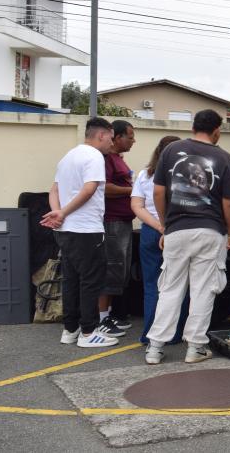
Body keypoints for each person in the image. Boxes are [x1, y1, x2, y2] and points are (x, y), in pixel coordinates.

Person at [144, 110, 230, 365]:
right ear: (217, 130)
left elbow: (158, 192)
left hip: (176, 229)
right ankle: (195, 348)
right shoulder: (225, 158)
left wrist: (166, 226)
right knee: (203, 289)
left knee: (169, 288)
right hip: (210, 230)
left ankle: (154, 348)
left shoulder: (171, 150)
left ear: (193, 126)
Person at [41, 117, 120, 348]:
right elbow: (90, 188)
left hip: (65, 231)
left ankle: (70, 330)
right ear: (102, 135)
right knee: (90, 281)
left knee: (71, 281)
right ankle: (88, 332)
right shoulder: (94, 156)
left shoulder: (68, 156)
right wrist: (62, 212)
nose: (112, 144)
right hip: (86, 229)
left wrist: (57, 213)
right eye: (111, 138)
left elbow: (53, 189)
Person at [130, 135, 187, 344]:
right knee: (179, 284)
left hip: (150, 232)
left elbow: (137, 206)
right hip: (179, 232)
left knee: (152, 285)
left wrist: (158, 226)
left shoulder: (146, 174)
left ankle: (149, 334)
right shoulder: (186, 175)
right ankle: (175, 334)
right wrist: (167, 228)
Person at [97, 119, 136, 338]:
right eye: (130, 136)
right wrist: (131, 190)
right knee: (111, 269)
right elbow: (104, 188)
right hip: (112, 222)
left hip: (123, 222)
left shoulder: (118, 159)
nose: (133, 140)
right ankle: (102, 318)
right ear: (117, 137)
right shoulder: (105, 159)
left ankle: (109, 315)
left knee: (120, 271)